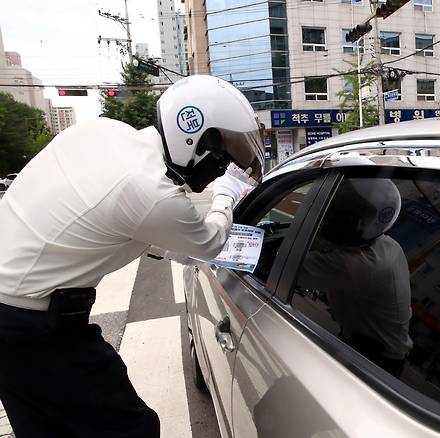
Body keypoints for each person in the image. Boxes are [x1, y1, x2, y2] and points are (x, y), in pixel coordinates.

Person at [0, 75, 264, 438]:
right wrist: (227, 192)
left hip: (14, 320)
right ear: (196, 140)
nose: (222, 166)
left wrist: (168, 242)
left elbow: (91, 213)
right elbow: (211, 243)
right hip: (33, 330)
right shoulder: (151, 187)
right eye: (221, 155)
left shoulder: (102, 132)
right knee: (131, 429)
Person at [296, 178, 413, 378]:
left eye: (344, 213)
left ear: (369, 221)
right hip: (365, 347)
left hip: (374, 360)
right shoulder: (387, 244)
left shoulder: (363, 265)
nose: (330, 216)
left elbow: (289, 263)